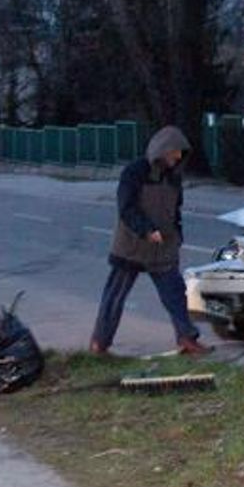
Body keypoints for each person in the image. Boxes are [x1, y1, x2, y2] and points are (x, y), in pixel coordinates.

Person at [90, 125, 213, 356]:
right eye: (174, 152)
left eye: (180, 154)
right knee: (115, 296)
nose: (177, 158)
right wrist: (145, 230)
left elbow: (176, 210)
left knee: (176, 294)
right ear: (162, 150)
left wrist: (177, 235)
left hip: (163, 246)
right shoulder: (134, 172)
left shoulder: (174, 177)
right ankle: (100, 343)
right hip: (132, 245)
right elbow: (126, 208)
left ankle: (187, 338)